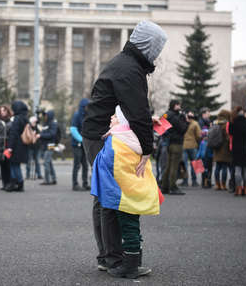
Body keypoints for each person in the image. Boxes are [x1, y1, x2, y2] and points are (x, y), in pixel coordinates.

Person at [81, 20, 167, 278]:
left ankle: (107, 256)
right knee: (111, 197)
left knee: (103, 195)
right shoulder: (130, 69)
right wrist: (147, 148)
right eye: (156, 48)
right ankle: (116, 260)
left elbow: (131, 109)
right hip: (103, 137)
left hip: (95, 132)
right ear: (147, 46)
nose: (157, 54)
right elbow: (138, 111)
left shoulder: (124, 63)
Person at [160, 100, 188, 195]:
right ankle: (173, 187)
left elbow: (159, 128)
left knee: (168, 166)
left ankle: (164, 186)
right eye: (179, 105)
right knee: (174, 166)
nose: (180, 107)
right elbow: (183, 129)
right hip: (176, 144)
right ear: (175, 106)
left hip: (168, 143)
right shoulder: (175, 117)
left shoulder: (166, 115)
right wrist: (186, 121)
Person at [5, 101, 29, 192]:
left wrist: (10, 147)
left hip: (16, 146)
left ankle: (19, 183)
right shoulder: (25, 118)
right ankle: (16, 183)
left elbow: (13, 133)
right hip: (23, 145)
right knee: (15, 164)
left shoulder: (17, 118)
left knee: (14, 165)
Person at [229, 106, 246, 196]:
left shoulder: (233, 122)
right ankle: (245, 188)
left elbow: (230, 133)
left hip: (236, 148)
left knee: (237, 169)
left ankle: (238, 188)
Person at [70, 98, 90, 191]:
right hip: (76, 144)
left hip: (84, 144)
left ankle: (85, 184)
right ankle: (75, 184)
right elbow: (73, 130)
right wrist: (82, 140)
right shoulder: (77, 115)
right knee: (77, 164)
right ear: (83, 106)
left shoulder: (88, 115)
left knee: (85, 165)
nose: (88, 108)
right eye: (87, 106)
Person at [0, 105, 13, 190]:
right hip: (0, 147)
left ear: (7, 111)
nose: (2, 112)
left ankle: (9, 183)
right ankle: (4, 184)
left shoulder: (11, 122)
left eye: (4, 110)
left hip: (8, 147)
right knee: (2, 166)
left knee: (9, 166)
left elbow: (13, 133)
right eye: (1, 111)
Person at [212, 110, 232, 191]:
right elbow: (228, 138)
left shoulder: (215, 123)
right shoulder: (226, 125)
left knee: (217, 167)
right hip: (225, 150)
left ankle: (217, 184)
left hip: (216, 149)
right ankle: (223, 184)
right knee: (224, 168)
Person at [181, 111, 202, 187]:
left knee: (184, 164)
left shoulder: (182, 123)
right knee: (194, 163)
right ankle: (194, 181)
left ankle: (185, 181)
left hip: (183, 146)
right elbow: (199, 135)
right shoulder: (195, 124)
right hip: (193, 146)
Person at [39, 110, 58, 186]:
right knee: (49, 162)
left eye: (46, 115)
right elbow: (44, 132)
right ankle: (53, 179)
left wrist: (41, 135)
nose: (45, 116)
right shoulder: (45, 123)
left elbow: (52, 134)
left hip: (51, 145)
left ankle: (47, 180)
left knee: (46, 162)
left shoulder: (53, 124)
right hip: (45, 145)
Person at [26, 116, 42, 180]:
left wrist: (37, 135)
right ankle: (28, 175)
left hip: (37, 147)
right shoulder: (28, 127)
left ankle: (39, 174)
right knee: (29, 161)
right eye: (33, 122)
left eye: (35, 122)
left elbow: (41, 135)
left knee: (37, 161)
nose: (34, 123)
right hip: (30, 146)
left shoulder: (38, 127)